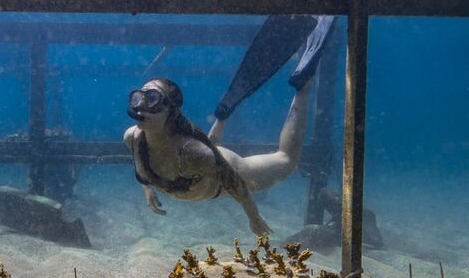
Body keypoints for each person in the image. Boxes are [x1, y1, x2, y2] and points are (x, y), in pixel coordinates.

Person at [124, 15, 333, 235]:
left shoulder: (193, 153)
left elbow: (236, 184)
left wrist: (254, 218)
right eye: (138, 98)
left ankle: (304, 85)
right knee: (206, 155)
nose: (141, 106)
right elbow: (140, 162)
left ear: (170, 110)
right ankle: (224, 113)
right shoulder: (133, 137)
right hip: (203, 162)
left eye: (153, 99)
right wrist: (147, 189)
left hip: (230, 168)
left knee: (286, 161)